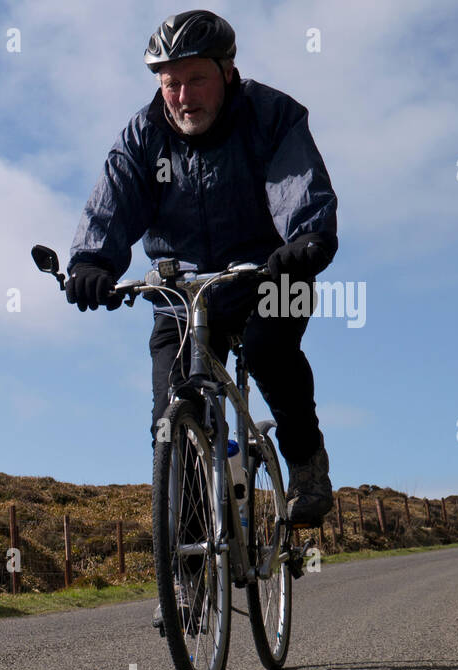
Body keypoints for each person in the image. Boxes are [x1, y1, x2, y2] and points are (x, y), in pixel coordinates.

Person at [66, 9, 339, 529]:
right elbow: (113, 204)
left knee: (268, 347)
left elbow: (297, 186)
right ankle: (189, 580)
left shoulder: (270, 116)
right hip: (184, 291)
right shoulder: (143, 138)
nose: (184, 96)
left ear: (227, 73)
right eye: (171, 84)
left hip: (270, 275)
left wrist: (304, 239)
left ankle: (305, 462)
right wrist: (91, 263)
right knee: (171, 419)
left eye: (197, 79)